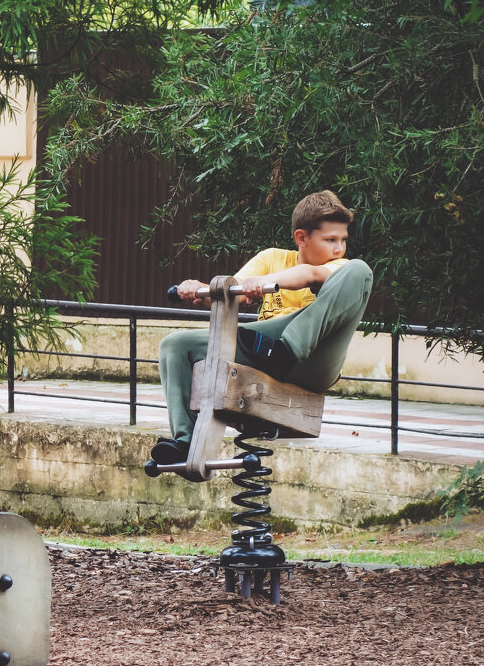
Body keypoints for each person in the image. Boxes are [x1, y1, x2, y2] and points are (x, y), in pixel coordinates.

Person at [152, 190, 373, 464]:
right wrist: (199, 288)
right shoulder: (272, 258)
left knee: (361, 269)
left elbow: (309, 274)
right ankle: (185, 443)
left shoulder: (339, 266)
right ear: (302, 238)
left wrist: (266, 280)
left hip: (315, 357)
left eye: (342, 240)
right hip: (264, 351)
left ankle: (288, 348)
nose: (339, 248)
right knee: (174, 344)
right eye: (330, 240)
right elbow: (233, 292)